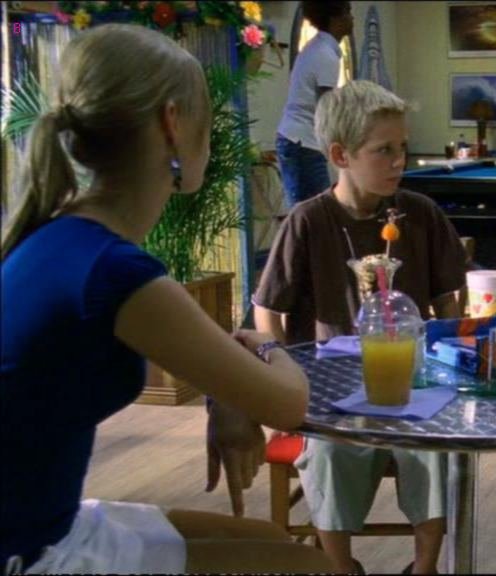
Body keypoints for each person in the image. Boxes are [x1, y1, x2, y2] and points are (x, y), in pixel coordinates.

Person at [0, 24, 333, 574]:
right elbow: (287, 405)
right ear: (172, 123)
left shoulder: (60, 236)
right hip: (28, 552)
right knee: (307, 567)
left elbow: (204, 361)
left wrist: (226, 397)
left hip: (43, 521)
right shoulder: (115, 272)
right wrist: (267, 345)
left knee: (271, 540)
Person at [253, 80, 468, 576]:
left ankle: (424, 568)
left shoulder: (420, 214)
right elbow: (267, 313)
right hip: (334, 395)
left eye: (403, 148)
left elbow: (448, 302)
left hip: (413, 387)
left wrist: (449, 358)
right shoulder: (308, 221)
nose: (399, 161)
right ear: (339, 155)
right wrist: (280, 380)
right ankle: (339, 566)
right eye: (383, 150)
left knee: (433, 455)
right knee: (329, 454)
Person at [276, 0, 353, 208]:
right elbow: (326, 107)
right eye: (348, 12)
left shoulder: (318, 48)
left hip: (298, 140)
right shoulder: (324, 54)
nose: (352, 18)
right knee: (314, 211)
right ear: (335, 19)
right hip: (302, 143)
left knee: (313, 210)